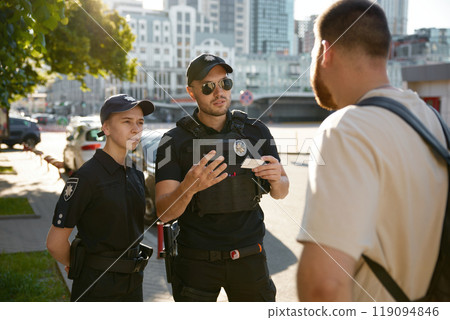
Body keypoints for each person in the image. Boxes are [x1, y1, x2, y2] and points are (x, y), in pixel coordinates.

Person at [296, 0, 448, 302]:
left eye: (311, 52)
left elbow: (323, 286)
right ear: (387, 52)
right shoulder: (435, 123)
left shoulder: (347, 128)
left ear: (326, 51)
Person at [155, 53, 289, 302]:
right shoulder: (173, 141)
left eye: (224, 84)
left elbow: (282, 190)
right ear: (191, 92)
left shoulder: (255, 131)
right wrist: (189, 188)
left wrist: (276, 179)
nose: (219, 92)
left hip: (249, 258)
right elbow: (164, 213)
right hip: (196, 263)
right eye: (208, 87)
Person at [46, 94, 155, 302]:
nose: (136, 129)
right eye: (127, 121)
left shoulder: (136, 174)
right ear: (106, 128)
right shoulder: (86, 177)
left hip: (134, 284)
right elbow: (55, 242)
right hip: (97, 286)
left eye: (140, 122)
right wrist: (81, 264)